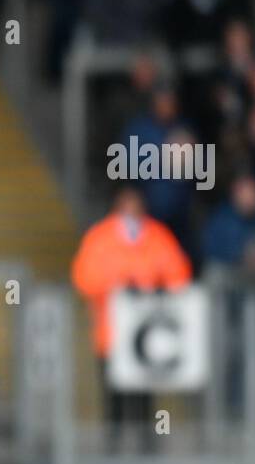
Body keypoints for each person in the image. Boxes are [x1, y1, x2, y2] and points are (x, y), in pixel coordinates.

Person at [71, 184, 192, 448]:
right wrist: (116, 286)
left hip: (145, 329)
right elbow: (84, 277)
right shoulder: (100, 238)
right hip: (110, 331)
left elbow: (178, 272)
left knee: (144, 391)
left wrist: (155, 289)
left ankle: (146, 442)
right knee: (112, 391)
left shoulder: (157, 235)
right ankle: (112, 442)